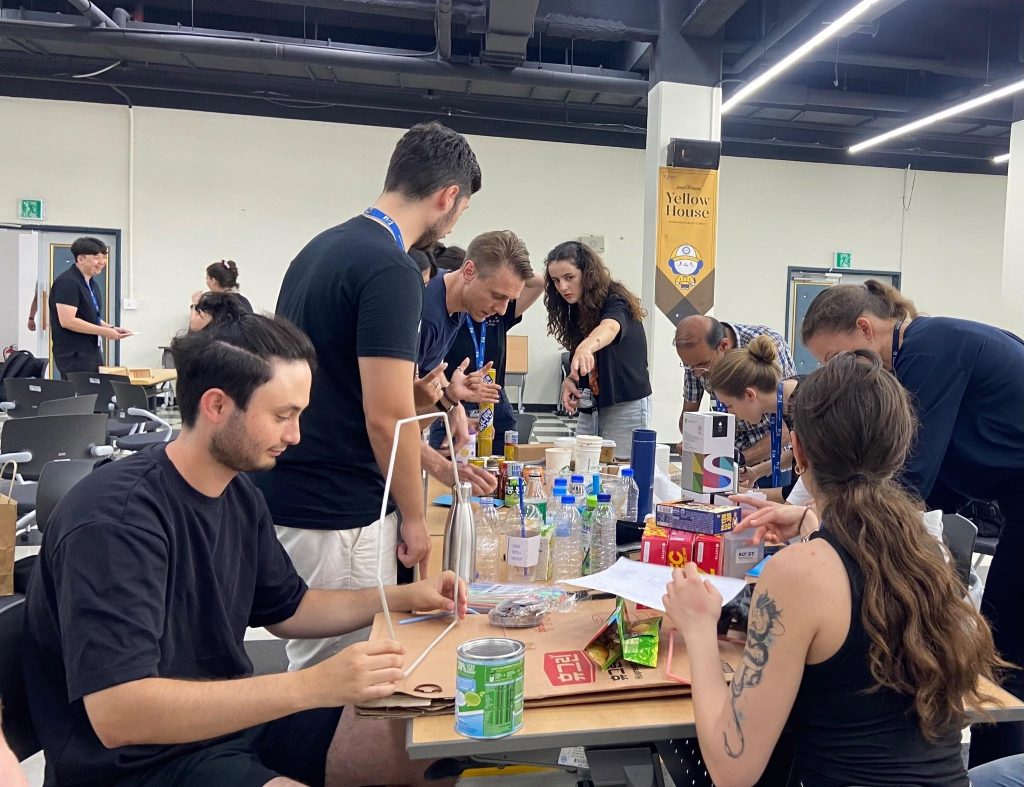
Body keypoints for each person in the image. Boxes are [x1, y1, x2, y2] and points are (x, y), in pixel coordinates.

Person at [22, 314, 465, 787]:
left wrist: (402, 598)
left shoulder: (236, 492)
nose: (294, 436)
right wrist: (312, 685)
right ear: (217, 405)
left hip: (225, 728)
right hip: (137, 765)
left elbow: (290, 608)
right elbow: (120, 713)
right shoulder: (116, 521)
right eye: (282, 416)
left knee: (426, 745)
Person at [663, 349, 1006, 787]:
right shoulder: (927, 549)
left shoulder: (798, 572)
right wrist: (812, 524)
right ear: (898, 450)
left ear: (799, 451)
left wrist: (697, 625)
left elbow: (733, 769)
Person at [252, 121, 480, 674]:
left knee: (316, 670)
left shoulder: (320, 248)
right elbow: (386, 415)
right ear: (448, 196)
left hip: (296, 490)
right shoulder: (391, 268)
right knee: (345, 679)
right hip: (341, 508)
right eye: (462, 209)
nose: (456, 220)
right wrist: (413, 516)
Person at [800, 280, 1024, 766]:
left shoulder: (928, 349)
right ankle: (992, 765)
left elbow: (908, 480)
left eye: (835, 358)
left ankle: (994, 769)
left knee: (1008, 648)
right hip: (1013, 500)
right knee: (1005, 639)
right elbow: (934, 483)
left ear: (865, 329)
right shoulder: (924, 349)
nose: (836, 373)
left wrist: (821, 537)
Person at [417, 230, 537, 480]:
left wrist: (454, 406)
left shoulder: (457, 303)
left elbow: (431, 367)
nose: (502, 310)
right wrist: (448, 399)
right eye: (498, 296)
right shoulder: (425, 315)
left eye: (509, 300)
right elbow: (395, 418)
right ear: (469, 271)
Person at [545, 240, 651, 456]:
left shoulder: (616, 298)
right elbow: (588, 361)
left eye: (569, 277)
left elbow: (610, 327)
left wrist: (587, 346)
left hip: (625, 404)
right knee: (583, 465)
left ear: (587, 273)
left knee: (621, 468)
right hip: (591, 404)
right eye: (556, 281)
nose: (562, 287)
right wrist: (571, 379)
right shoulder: (574, 308)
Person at [675, 316, 794, 465]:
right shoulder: (696, 362)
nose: (697, 373)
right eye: (689, 366)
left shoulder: (768, 344)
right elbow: (689, 416)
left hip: (774, 459)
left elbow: (787, 428)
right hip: (734, 458)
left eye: (702, 365)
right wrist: (692, 441)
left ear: (723, 345)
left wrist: (739, 460)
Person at [707, 337, 802, 502]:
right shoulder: (789, 395)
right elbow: (798, 455)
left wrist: (741, 494)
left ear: (749, 395)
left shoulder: (806, 408)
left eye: (729, 406)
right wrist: (756, 472)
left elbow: (798, 494)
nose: (731, 414)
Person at [49, 236, 131, 379]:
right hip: (74, 355)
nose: (102, 262)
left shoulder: (91, 283)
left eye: (104, 257)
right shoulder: (68, 282)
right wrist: (104, 332)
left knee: (96, 388)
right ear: (80, 259)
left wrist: (111, 328)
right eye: (96, 257)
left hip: (90, 351)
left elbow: (91, 317)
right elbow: (68, 321)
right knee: (82, 391)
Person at [189, 290, 253, 332]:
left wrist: (195, 303)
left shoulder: (208, 344)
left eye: (199, 314)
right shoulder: (242, 301)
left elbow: (194, 325)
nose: (193, 317)